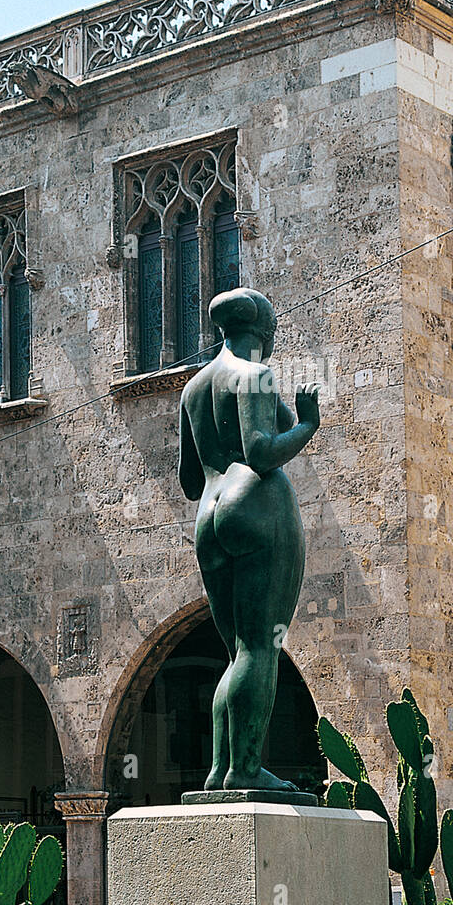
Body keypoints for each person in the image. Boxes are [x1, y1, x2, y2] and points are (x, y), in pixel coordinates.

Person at [178, 288, 320, 791]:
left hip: (209, 516)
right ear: (265, 332)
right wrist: (307, 424)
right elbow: (261, 453)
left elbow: (189, 480)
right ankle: (245, 768)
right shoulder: (255, 374)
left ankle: (222, 771)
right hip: (257, 507)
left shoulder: (194, 388)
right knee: (260, 646)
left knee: (238, 652)